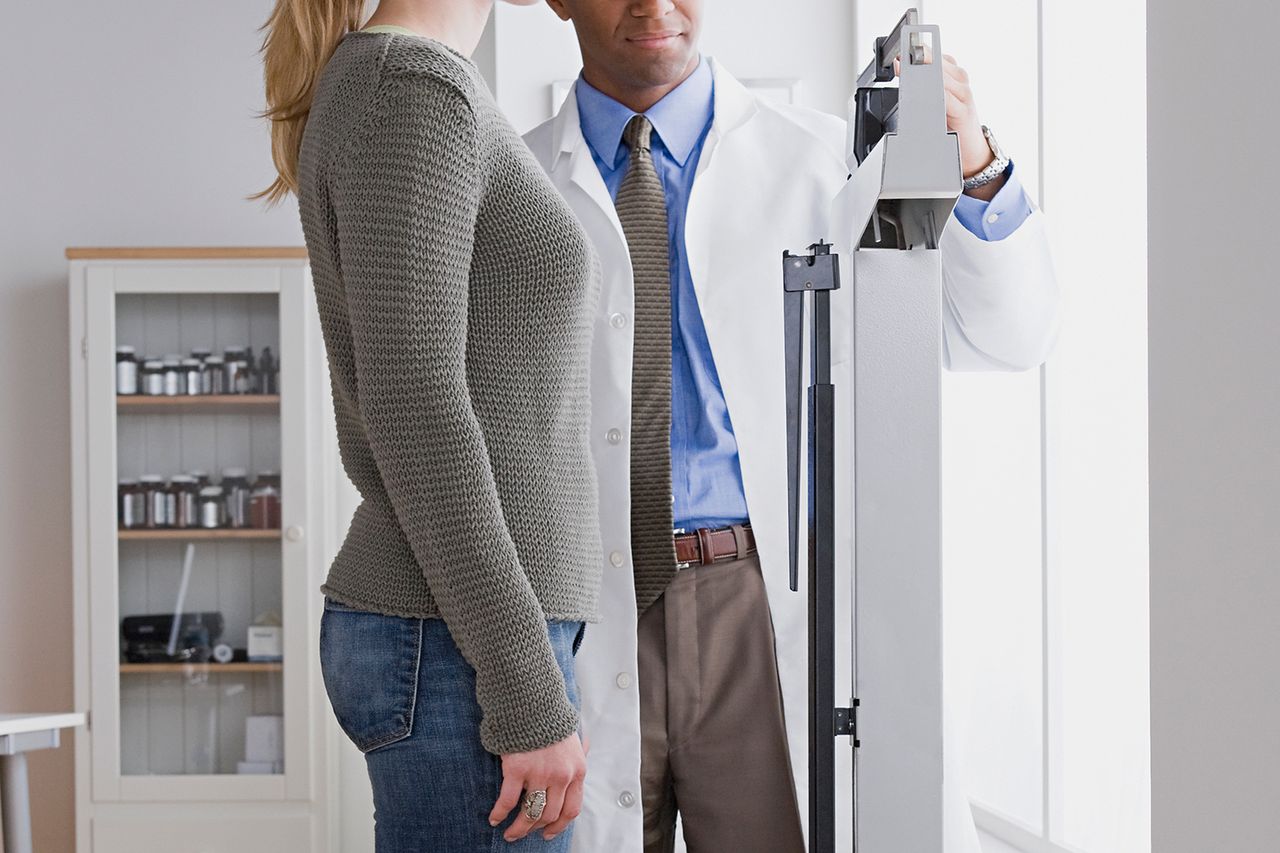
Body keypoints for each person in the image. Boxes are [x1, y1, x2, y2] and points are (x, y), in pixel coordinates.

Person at [522, 1, 1061, 852]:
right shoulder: (511, 184)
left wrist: (980, 165)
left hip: (760, 605)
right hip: (578, 605)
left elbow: (1003, 334)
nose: (654, 5)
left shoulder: (827, 166)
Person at [257, 0, 605, 848]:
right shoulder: (410, 88)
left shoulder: (420, 84)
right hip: (452, 644)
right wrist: (524, 686)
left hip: (458, 634)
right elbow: (416, 405)